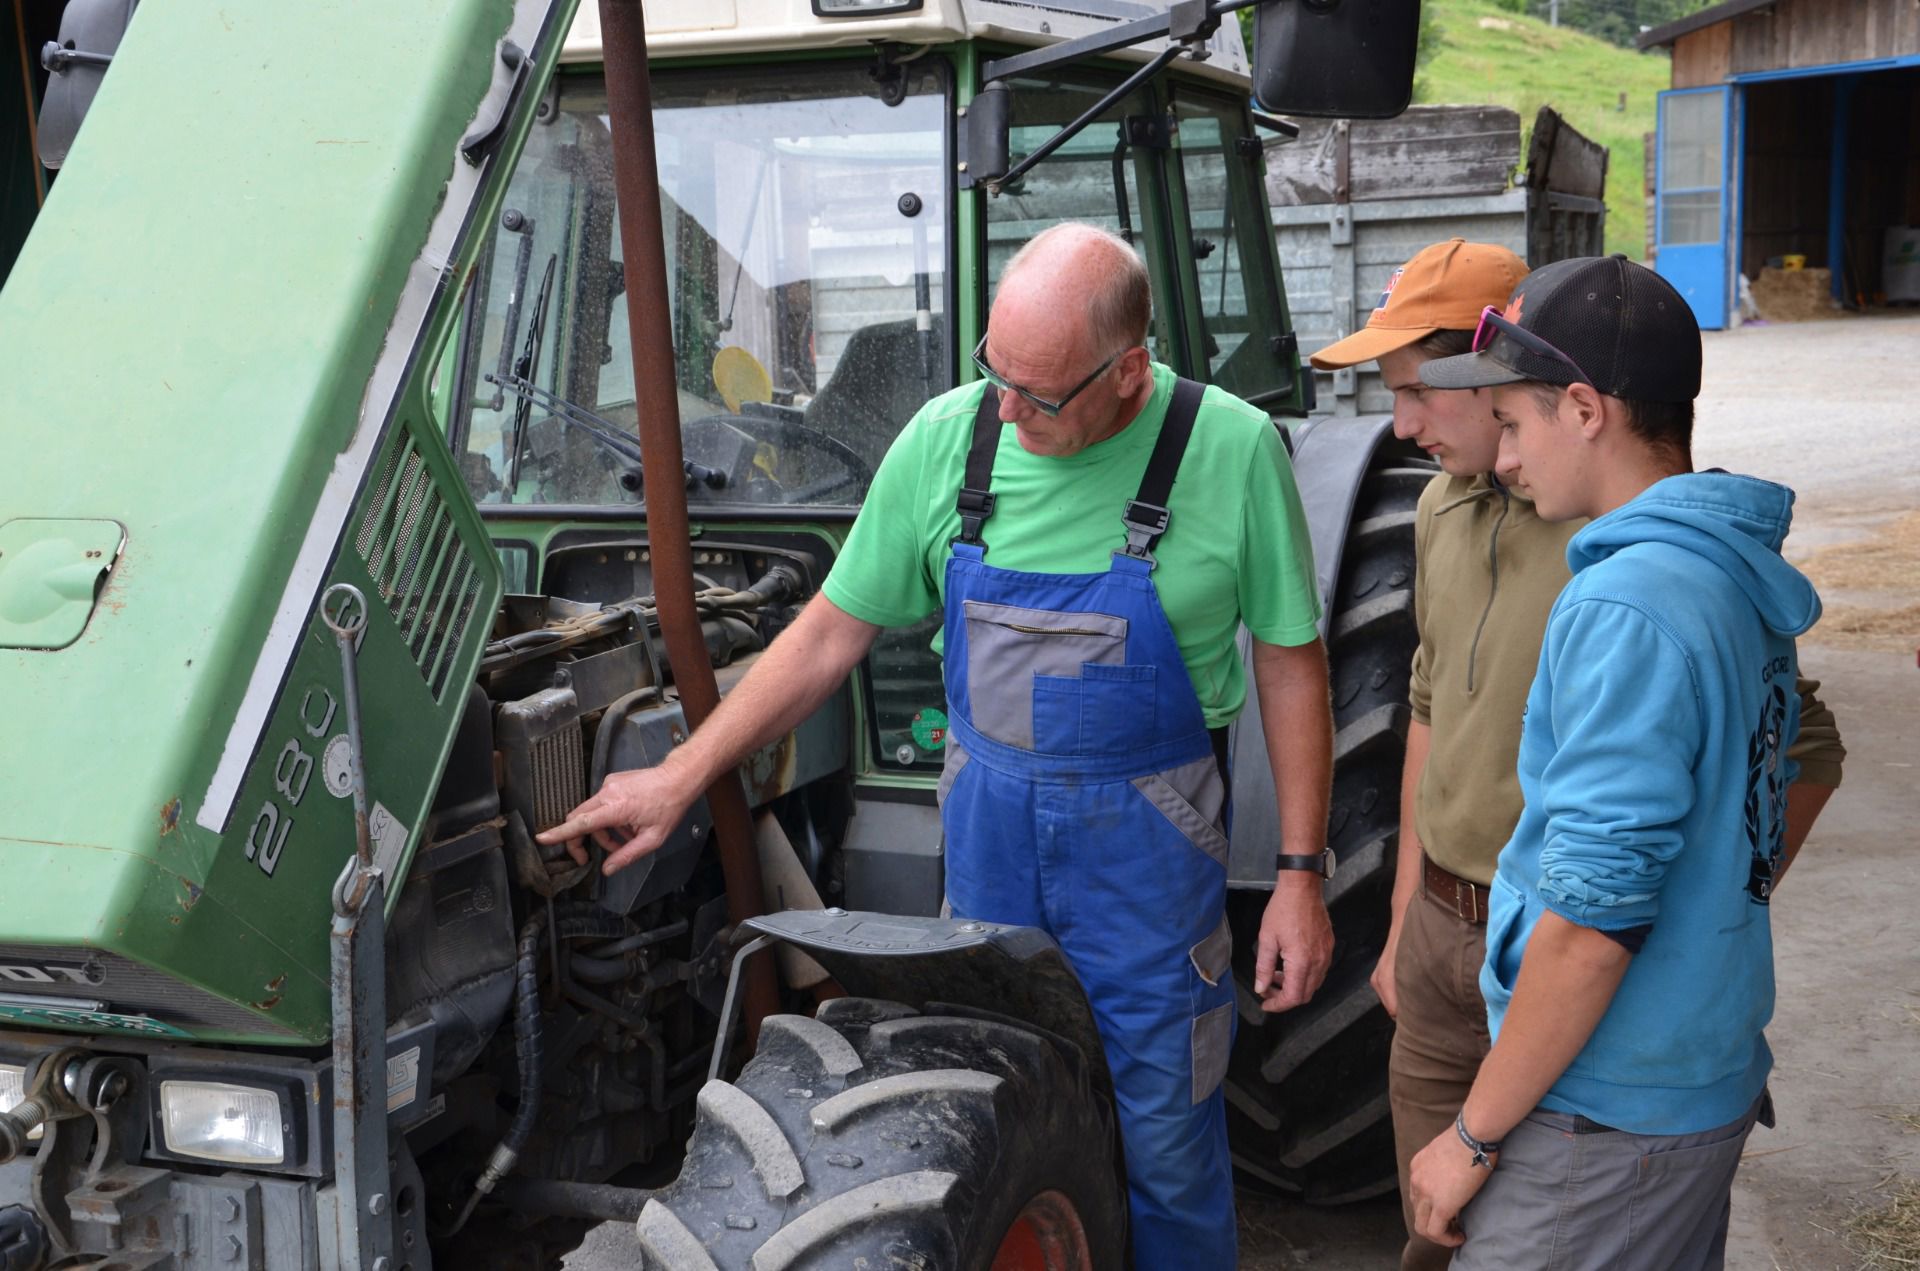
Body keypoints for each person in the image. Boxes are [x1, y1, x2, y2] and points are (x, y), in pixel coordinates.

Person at [538, 222, 1337, 1268]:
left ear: (1128, 371)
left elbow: (1290, 663)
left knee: (1168, 1148)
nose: (1004, 409)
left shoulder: (1230, 450)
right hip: (990, 859)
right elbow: (827, 633)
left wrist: (1300, 875)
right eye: (993, 373)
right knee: (981, 1120)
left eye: (1036, 395)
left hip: (1148, 870)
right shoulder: (948, 440)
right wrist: (678, 774)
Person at [1310, 242, 1845, 1271]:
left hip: (1604, 1083)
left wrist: (1473, 1136)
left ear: (1585, 410)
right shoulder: (1719, 568)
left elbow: (1595, 922)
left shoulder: (1624, 596)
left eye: (1512, 420)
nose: (1504, 454)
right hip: (1655, 1062)